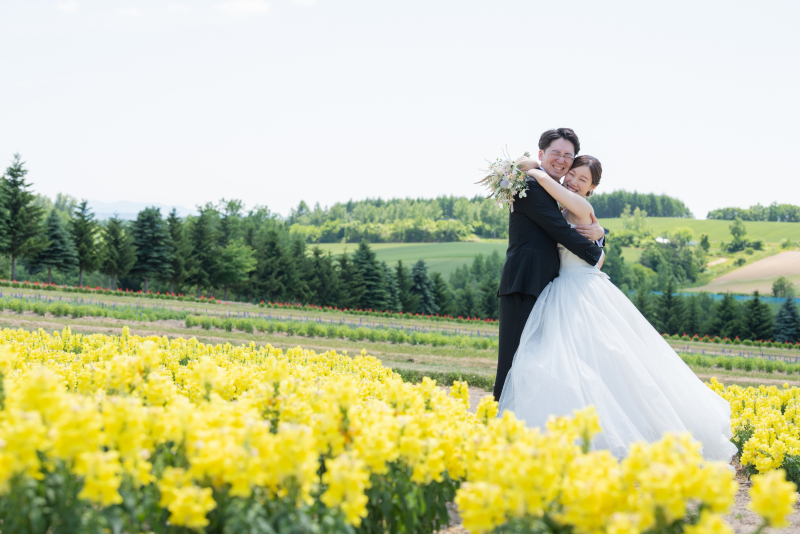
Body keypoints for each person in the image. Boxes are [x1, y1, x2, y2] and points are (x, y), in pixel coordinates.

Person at [498, 154, 737, 462]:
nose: (572, 181)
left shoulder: (580, 207)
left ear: (592, 187)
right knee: (569, 361)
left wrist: (533, 168)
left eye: (582, 180)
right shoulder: (562, 208)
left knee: (603, 359)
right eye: (571, 175)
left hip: (581, 288)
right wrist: (601, 236)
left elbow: (548, 185)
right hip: (561, 287)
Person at [494, 128, 605, 402]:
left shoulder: (552, 192)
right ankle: (499, 423)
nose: (562, 159)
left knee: (537, 362)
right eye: (556, 152)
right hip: (525, 282)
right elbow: (560, 230)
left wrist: (601, 234)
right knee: (513, 359)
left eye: (568, 155)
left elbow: (575, 219)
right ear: (541, 153)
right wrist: (596, 254)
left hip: (546, 286)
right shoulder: (531, 186)